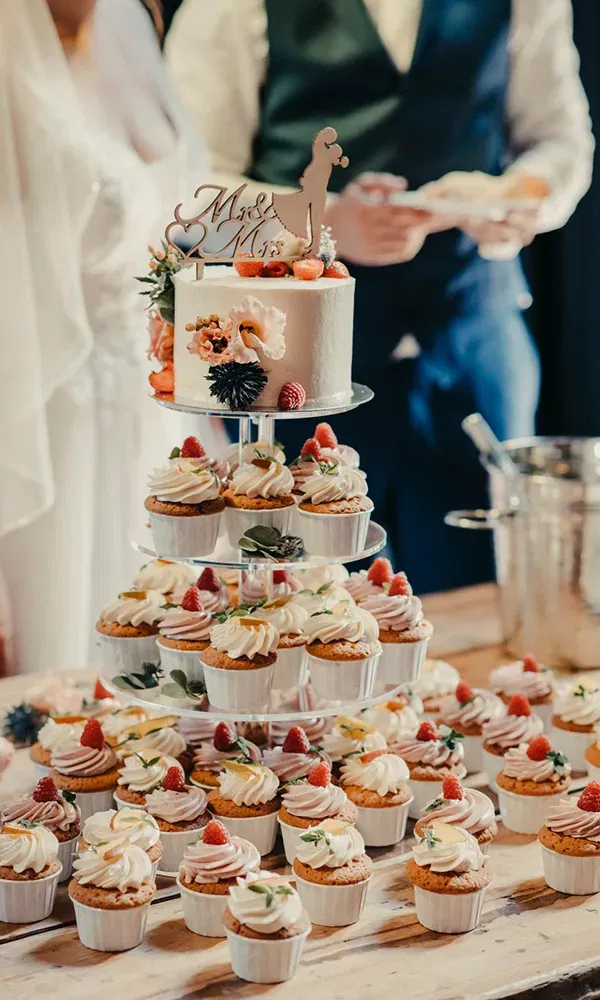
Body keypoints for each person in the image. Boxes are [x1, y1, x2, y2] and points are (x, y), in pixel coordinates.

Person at [165, 0, 593, 592]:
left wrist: (515, 194)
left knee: (484, 594)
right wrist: (328, 220)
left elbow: (560, 140)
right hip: (293, 362)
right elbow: (186, 193)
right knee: (303, 604)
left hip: (475, 337)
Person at [0, 0, 212, 673]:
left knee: (174, 655)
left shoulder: (131, 19)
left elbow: (187, 208)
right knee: (67, 668)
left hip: (154, 402)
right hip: (50, 416)